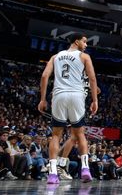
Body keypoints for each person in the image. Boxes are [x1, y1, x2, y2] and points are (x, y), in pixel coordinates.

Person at [38, 32, 99, 184]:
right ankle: (85, 169)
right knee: (79, 134)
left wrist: (43, 99)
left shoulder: (55, 56)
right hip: (77, 95)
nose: (86, 45)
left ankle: (52, 173)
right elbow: (92, 79)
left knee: (56, 135)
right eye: (85, 42)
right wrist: (95, 100)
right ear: (77, 41)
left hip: (59, 95)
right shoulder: (84, 57)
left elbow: (45, 76)